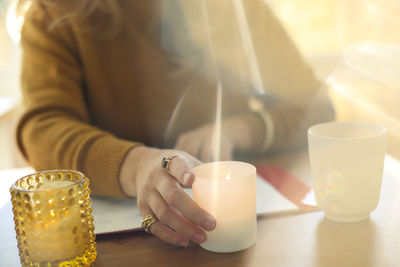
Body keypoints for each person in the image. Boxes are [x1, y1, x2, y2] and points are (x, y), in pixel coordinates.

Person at [16, 0, 334, 247]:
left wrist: (246, 128)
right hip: (124, 243)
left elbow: (316, 104)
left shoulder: (238, 9)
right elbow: (43, 127)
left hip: (246, 233)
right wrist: (135, 165)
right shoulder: (56, 13)